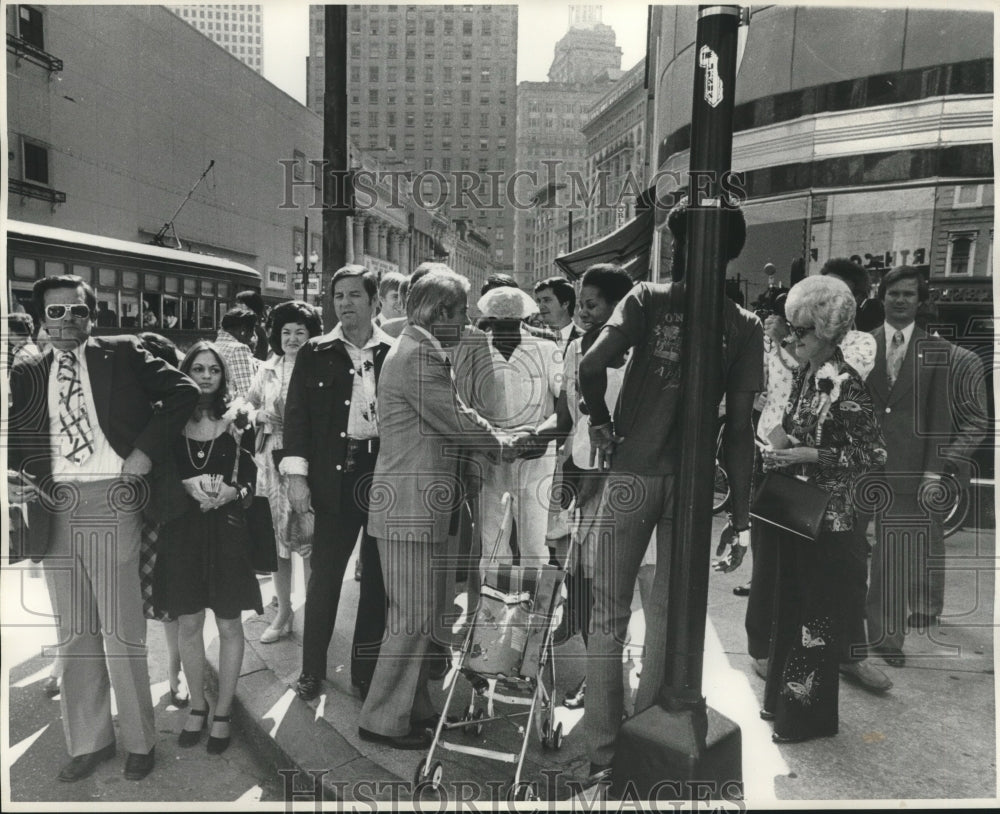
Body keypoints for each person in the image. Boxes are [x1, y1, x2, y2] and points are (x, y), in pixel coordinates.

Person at [578, 198, 762, 780]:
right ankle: (641, 736)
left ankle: (601, 748)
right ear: (734, 250)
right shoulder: (745, 324)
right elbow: (739, 429)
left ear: (677, 244)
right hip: (692, 482)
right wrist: (738, 516)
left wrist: (601, 423)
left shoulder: (647, 298)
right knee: (665, 615)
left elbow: (590, 364)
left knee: (605, 611)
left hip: (633, 471)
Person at [7, 275, 199, 782]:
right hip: (55, 505)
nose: (68, 320)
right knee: (74, 633)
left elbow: (185, 390)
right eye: (56, 312)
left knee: (120, 628)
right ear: (39, 319)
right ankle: (90, 740)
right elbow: (21, 432)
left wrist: (143, 451)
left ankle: (140, 739)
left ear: (92, 317)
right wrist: (18, 478)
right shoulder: (28, 369)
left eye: (78, 311)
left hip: (112, 499)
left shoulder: (122, 352)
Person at [359, 268, 513, 750]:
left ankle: (412, 710)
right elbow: (456, 418)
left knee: (422, 616)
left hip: (415, 507)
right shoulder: (420, 354)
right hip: (408, 508)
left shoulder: (416, 347)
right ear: (441, 312)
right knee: (410, 620)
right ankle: (382, 721)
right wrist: (505, 442)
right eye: (462, 312)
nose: (468, 322)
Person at [746, 261, 888, 693]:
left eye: (803, 329)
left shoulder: (848, 363)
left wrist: (808, 452)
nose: (794, 336)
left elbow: (872, 448)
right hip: (785, 472)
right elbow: (778, 401)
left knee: (831, 583)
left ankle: (834, 663)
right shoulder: (805, 362)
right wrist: (782, 448)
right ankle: (774, 660)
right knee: (778, 573)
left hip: (829, 492)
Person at [863, 266, 988, 666]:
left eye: (909, 295)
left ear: (920, 302)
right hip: (860, 465)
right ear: (881, 297)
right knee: (846, 554)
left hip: (908, 468)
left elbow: (938, 418)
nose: (901, 300)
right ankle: (845, 628)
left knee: (893, 557)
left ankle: (887, 640)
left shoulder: (936, 352)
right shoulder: (862, 345)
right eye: (894, 293)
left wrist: (933, 471)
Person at [281, 268, 393, 702]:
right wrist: (297, 478)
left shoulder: (393, 352)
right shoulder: (316, 351)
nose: (344, 304)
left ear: (374, 300)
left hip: (382, 476)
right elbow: (297, 418)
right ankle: (312, 670)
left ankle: (364, 673)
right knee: (325, 577)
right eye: (337, 296)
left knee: (377, 580)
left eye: (353, 295)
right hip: (335, 477)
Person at [531, 263, 636, 710]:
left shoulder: (640, 352)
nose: (586, 313)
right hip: (578, 477)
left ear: (619, 306)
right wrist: (530, 438)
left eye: (593, 304)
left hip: (622, 485)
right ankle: (596, 669)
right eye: (583, 303)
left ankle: (607, 679)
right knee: (580, 577)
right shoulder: (574, 348)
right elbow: (566, 416)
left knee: (613, 586)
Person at [152, 341, 263, 755]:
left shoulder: (239, 420)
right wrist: (185, 486)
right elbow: (158, 474)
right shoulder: (168, 417)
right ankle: (198, 706)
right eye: (197, 368)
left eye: (213, 370)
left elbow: (254, 480)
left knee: (230, 624)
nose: (205, 376)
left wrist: (234, 493)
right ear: (186, 370)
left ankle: (223, 711)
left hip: (227, 531)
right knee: (189, 623)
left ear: (223, 375)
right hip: (181, 532)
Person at [241, 301, 323, 644]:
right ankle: (284, 612)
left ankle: (315, 616)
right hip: (272, 467)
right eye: (286, 332)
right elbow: (245, 404)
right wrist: (259, 416)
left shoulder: (320, 366)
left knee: (309, 540)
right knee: (279, 544)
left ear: (311, 335)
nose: (292, 338)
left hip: (308, 465)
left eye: (300, 332)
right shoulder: (268, 369)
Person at [475, 286, 562, 570]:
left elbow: (568, 407)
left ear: (523, 319)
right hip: (492, 461)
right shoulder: (476, 351)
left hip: (536, 462)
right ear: (488, 320)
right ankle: (494, 611)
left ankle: (535, 611)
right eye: (498, 323)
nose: (504, 331)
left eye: (511, 323)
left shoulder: (547, 350)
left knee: (535, 547)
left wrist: (541, 436)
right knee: (493, 546)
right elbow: (465, 406)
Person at [136, 332, 189, 709]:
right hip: (136, 513)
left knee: (169, 602)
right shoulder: (124, 407)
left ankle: (175, 673)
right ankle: (166, 675)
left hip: (166, 513)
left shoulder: (177, 407)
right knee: (136, 603)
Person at [215, 306, 260, 398]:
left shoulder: (214, 346)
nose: (253, 335)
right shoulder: (239, 349)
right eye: (253, 330)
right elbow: (247, 393)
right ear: (243, 330)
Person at [533, 275, 579, 346]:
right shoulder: (534, 339)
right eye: (539, 301)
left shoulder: (586, 340)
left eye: (547, 300)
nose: (541, 306)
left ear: (565, 303)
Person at [236, 289, 270, 362]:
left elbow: (259, 359)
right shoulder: (239, 328)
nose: (237, 305)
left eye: (241, 303)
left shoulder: (257, 331)